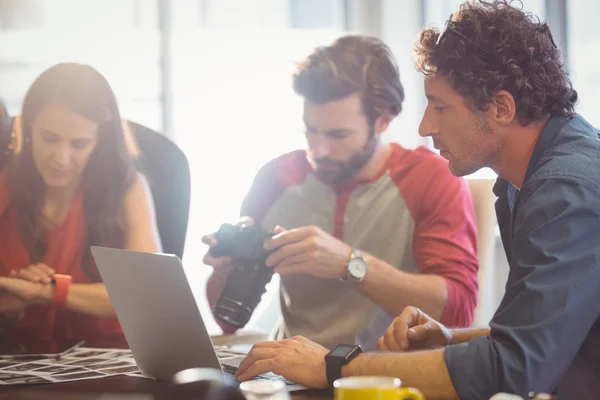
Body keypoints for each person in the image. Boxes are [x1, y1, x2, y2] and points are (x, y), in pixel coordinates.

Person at [232, 1, 600, 399]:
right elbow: (549, 334)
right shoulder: (527, 180)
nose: (425, 126)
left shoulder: (564, 191)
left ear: (501, 108)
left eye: (440, 107)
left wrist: (334, 365)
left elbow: (515, 369)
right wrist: (451, 340)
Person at [203, 35, 479, 350]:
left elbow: (458, 313)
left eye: (338, 135)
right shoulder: (275, 177)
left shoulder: (431, 179)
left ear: (383, 119)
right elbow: (227, 322)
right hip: (287, 371)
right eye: (310, 131)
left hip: (386, 377)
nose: (317, 151)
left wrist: (351, 264)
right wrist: (225, 273)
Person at [0, 63, 162, 353]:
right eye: (50, 139)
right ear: (28, 127)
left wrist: (46, 291)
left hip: (110, 360)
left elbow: (146, 294)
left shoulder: (127, 187)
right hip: (20, 360)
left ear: (99, 142)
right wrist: (9, 305)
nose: (61, 158)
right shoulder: (4, 184)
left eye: (79, 144)